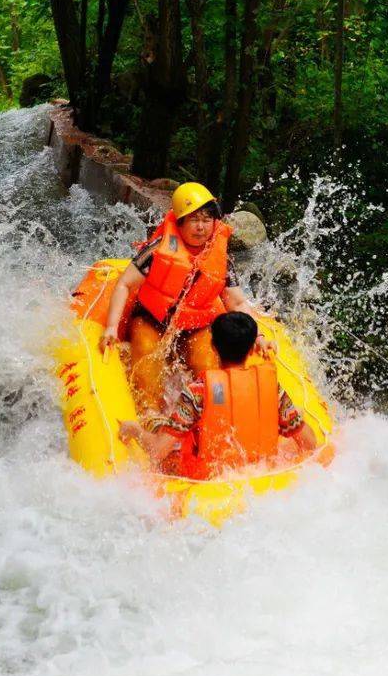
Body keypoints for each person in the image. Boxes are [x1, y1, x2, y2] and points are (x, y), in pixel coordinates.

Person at [99, 182, 271, 413]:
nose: (201, 227)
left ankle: (210, 419)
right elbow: (124, 284)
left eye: (207, 219)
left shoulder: (221, 259)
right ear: (179, 222)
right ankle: (152, 419)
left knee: (208, 368)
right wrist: (111, 327)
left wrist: (257, 335)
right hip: (152, 319)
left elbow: (237, 303)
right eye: (194, 219)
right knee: (147, 357)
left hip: (194, 326)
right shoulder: (158, 249)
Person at [118, 311, 317, 479]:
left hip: (207, 478)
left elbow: (157, 451)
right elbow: (309, 443)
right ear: (251, 350)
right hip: (258, 472)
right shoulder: (272, 388)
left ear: (213, 347)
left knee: (154, 422)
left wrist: (134, 430)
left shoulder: (199, 391)